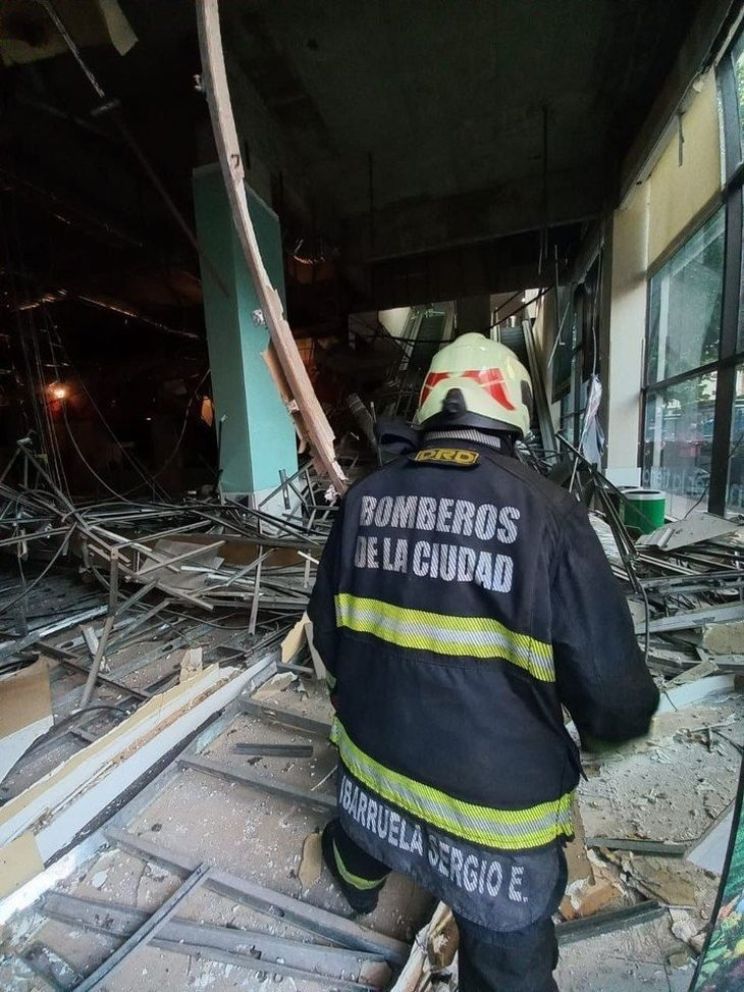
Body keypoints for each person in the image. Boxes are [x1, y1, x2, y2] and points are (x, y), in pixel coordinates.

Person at [307, 332, 659, 992]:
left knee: (359, 840)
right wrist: (613, 733)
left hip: (374, 773)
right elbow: (613, 693)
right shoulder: (549, 514)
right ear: (513, 410)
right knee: (507, 949)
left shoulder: (363, 500)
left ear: (429, 404)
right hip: (495, 814)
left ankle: (355, 882)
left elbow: (328, 637)